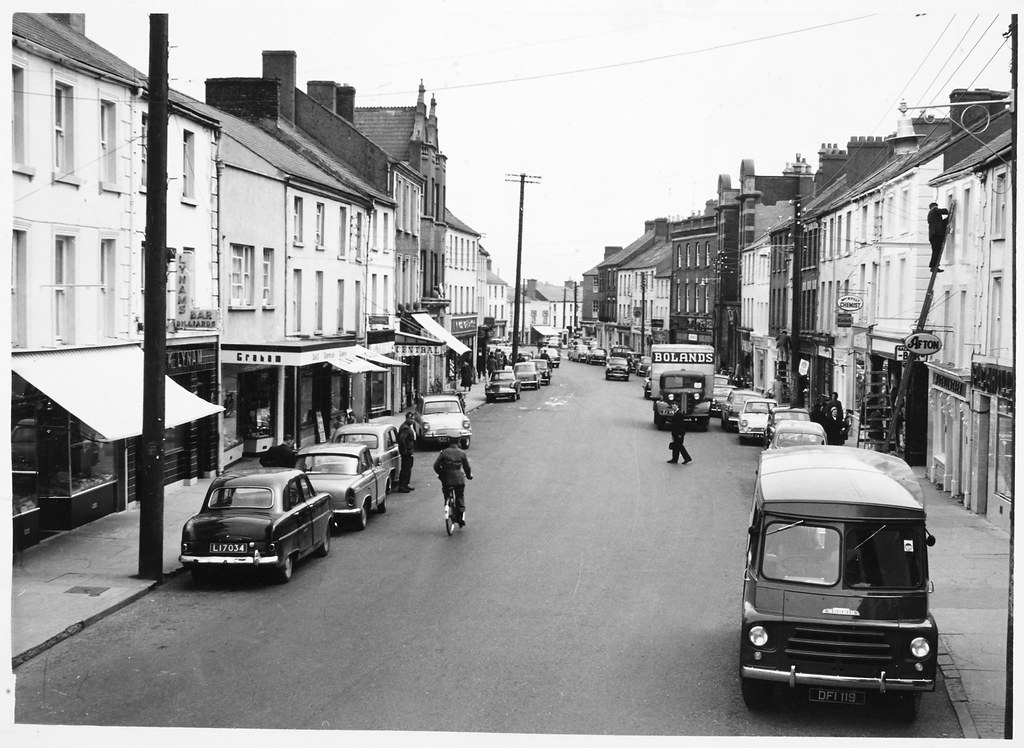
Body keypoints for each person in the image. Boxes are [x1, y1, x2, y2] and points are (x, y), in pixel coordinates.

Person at [434, 439, 473, 526]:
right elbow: (466, 467)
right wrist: (469, 475)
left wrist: (442, 473)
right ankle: (460, 515)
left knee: (446, 492)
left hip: (447, 479)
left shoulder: (444, 452)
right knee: (459, 495)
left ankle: (447, 503)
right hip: (459, 479)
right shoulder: (462, 453)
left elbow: (436, 465)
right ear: (458, 442)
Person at [666, 395, 692, 464]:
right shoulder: (676, 413)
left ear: (677, 406)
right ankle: (674, 459)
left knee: (679, 446)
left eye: (674, 405)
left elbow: (681, 425)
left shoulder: (679, 414)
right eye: (672, 406)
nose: (673, 407)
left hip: (679, 434)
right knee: (676, 446)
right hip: (676, 433)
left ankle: (687, 458)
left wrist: (680, 434)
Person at [396, 412, 417, 492]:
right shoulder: (405, 428)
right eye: (411, 418)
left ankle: (405, 485)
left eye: (413, 419)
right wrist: (405, 450)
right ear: (406, 418)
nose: (412, 420)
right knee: (405, 469)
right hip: (406, 452)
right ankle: (402, 486)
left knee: (408, 468)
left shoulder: (407, 426)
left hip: (408, 451)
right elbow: (401, 439)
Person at [928, 202, 950, 272]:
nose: (937, 208)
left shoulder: (932, 215)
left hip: (933, 235)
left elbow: (939, 223)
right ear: (934, 207)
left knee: (935, 251)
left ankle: (933, 266)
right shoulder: (934, 211)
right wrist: (947, 211)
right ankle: (934, 266)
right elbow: (944, 211)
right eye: (936, 207)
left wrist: (947, 219)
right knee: (936, 251)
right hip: (937, 234)